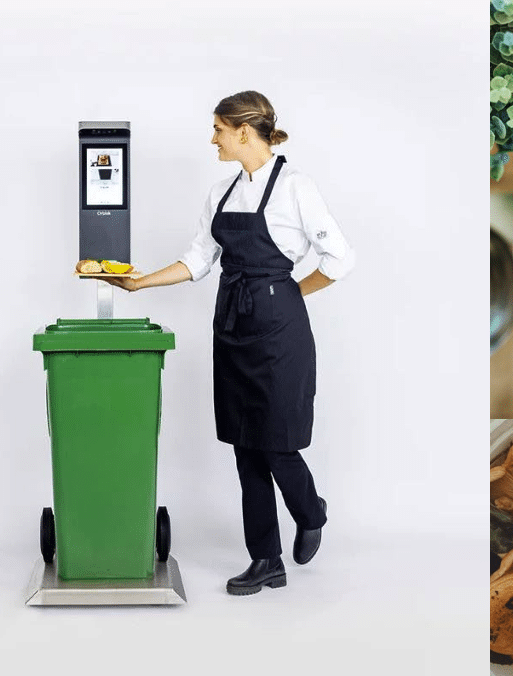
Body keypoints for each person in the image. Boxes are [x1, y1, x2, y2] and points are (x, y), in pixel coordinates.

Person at [106, 91, 355, 595]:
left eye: (218, 129)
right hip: (233, 328)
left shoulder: (296, 188)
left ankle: (311, 511)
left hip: (280, 330)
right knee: (246, 449)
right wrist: (140, 282)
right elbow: (199, 259)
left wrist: (287, 296)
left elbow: (340, 259)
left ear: (244, 131)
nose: (212, 138)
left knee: (278, 444)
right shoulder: (221, 192)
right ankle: (266, 560)